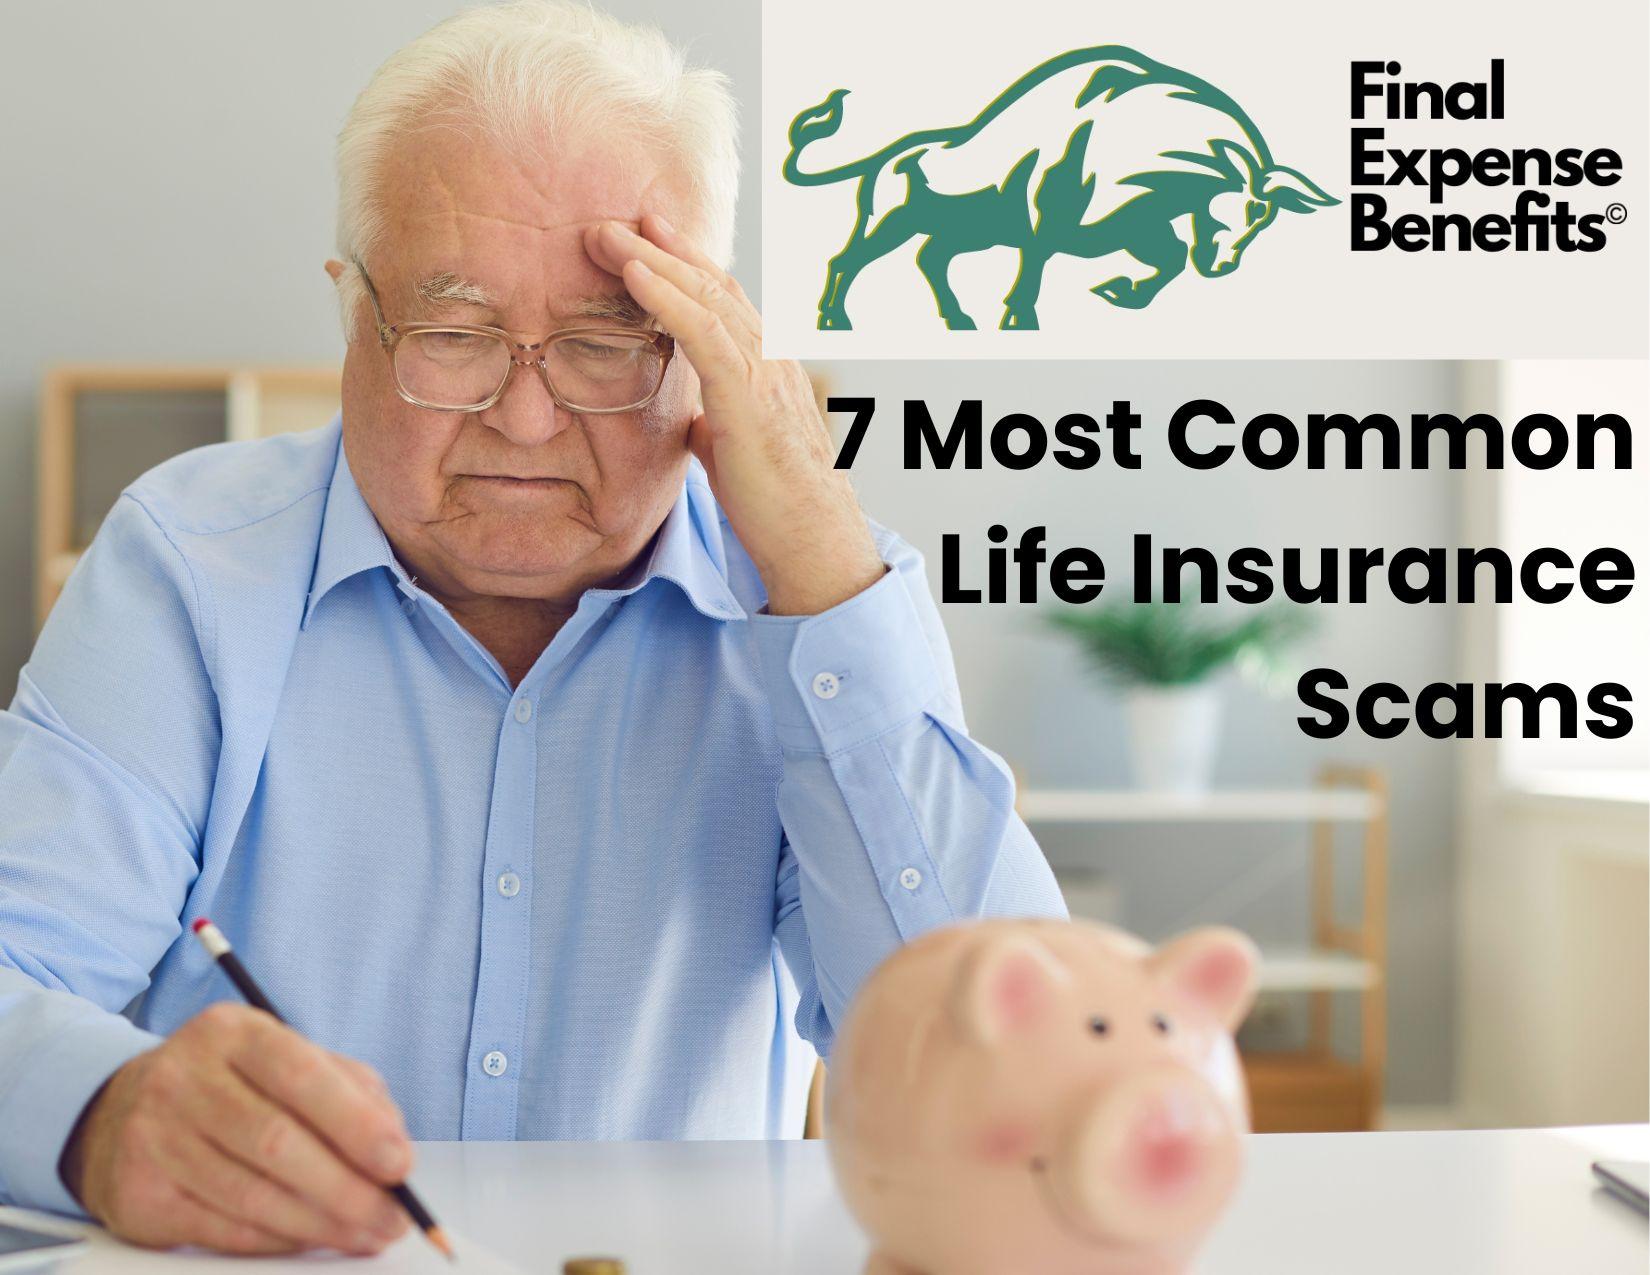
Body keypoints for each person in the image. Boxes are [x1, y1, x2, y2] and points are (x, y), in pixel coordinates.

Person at [0, 0, 1064, 1255]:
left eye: (607, 342)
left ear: (710, 344)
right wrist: (105, 1116)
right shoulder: (189, 561)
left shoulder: (820, 600)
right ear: (351, 313)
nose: (524, 418)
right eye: (451, 335)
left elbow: (1021, 1081)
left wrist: (825, 574)